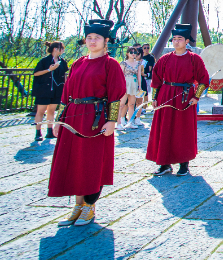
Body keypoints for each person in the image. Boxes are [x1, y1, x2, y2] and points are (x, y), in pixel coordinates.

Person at [49, 19, 125, 227]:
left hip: (95, 119)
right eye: (89, 37)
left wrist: (112, 121)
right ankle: (78, 205)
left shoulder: (110, 64)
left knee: (91, 162)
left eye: (97, 38)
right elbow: (66, 95)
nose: (92, 41)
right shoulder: (78, 63)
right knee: (74, 161)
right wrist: (60, 120)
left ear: (106, 41)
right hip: (73, 117)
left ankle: (89, 206)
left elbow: (115, 96)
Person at [147, 24, 210, 176]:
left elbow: (203, 79)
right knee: (164, 129)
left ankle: (184, 164)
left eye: (179, 39)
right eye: (174, 39)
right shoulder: (165, 59)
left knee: (183, 130)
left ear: (187, 41)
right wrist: (154, 98)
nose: (176, 41)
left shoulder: (194, 59)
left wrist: (196, 97)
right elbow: (156, 80)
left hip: (185, 98)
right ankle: (164, 164)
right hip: (165, 96)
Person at [32, 41, 68, 141]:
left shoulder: (62, 61)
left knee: (51, 111)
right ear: (55, 49)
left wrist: (66, 87)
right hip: (44, 90)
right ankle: (38, 132)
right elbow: (36, 73)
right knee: (40, 111)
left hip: (57, 89)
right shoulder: (44, 61)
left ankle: (49, 131)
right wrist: (49, 70)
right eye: (62, 48)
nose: (63, 50)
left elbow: (64, 75)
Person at [118, 47, 143, 130]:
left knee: (132, 104)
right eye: (131, 52)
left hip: (134, 83)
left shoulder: (138, 63)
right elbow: (120, 75)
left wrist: (139, 86)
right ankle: (118, 123)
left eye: (135, 52)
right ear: (127, 53)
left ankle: (130, 122)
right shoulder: (123, 63)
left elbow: (139, 75)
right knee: (121, 104)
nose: (133, 54)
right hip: (125, 83)